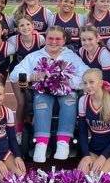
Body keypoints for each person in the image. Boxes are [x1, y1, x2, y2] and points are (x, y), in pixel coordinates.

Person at [10, 26, 89, 162]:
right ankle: (41, 144)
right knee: (42, 104)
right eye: (50, 38)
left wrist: (69, 82)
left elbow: (87, 75)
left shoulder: (72, 57)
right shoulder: (35, 56)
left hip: (65, 91)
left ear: (64, 40)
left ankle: (63, 142)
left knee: (70, 102)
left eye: (58, 39)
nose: (53, 42)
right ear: (45, 39)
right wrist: (33, 76)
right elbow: (13, 75)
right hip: (43, 91)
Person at [77, 69, 110, 176]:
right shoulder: (83, 101)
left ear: (101, 82)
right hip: (94, 148)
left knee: (99, 176)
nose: (88, 86)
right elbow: (82, 132)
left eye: (91, 82)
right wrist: (86, 155)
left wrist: (103, 157)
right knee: (81, 176)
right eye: (85, 83)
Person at [7, 16, 45, 143]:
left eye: (28, 24)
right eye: (21, 25)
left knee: (34, 102)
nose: (25, 28)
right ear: (17, 29)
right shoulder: (13, 40)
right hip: (20, 74)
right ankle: (19, 131)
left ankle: (34, 128)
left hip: (35, 74)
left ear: (33, 26)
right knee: (22, 103)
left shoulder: (40, 39)